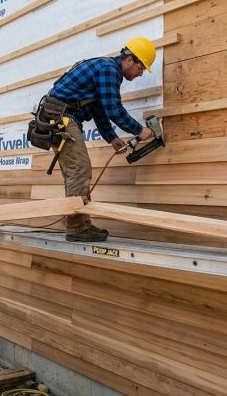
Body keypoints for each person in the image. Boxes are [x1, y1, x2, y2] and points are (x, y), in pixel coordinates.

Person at [43, 36, 156, 242]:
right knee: (80, 169)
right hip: (61, 116)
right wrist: (139, 130)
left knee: (76, 171)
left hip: (58, 116)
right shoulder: (109, 70)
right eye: (141, 68)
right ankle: (77, 227)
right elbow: (113, 109)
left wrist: (111, 137)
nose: (141, 74)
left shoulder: (106, 70)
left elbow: (99, 109)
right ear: (130, 60)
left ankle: (80, 222)